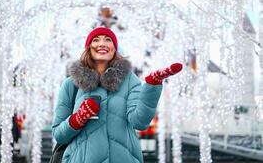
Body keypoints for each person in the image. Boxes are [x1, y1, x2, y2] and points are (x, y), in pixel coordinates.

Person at [52, 26, 183, 163]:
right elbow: (59, 135)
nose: (102, 43)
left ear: (114, 48)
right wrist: (78, 118)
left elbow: (140, 122)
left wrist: (152, 85)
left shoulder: (130, 80)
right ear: (88, 48)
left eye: (108, 40)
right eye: (96, 40)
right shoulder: (71, 84)